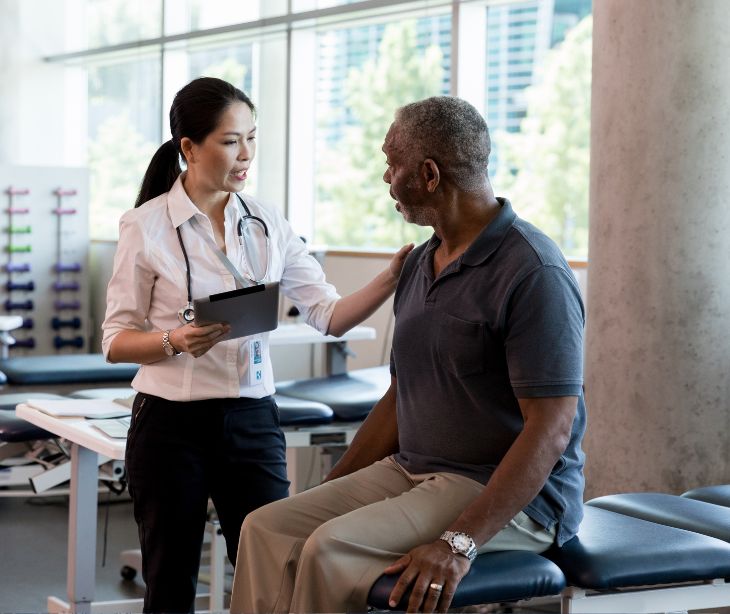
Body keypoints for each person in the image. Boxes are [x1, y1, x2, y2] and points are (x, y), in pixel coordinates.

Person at [229, 95, 587, 614]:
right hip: (413, 469)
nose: (385, 178)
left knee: (330, 549)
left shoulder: (534, 272)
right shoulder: (421, 262)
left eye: (391, 164)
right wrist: (330, 492)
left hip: (504, 493)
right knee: (266, 527)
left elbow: (550, 430)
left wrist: (458, 543)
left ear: (429, 175)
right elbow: (403, 394)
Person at [101, 76, 412, 614]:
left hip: (252, 420)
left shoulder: (267, 220)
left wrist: (389, 278)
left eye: (252, 138)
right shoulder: (146, 227)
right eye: (229, 141)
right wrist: (175, 340)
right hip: (171, 426)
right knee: (170, 581)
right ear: (189, 148)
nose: (245, 155)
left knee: (276, 568)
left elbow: (328, 315)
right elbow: (115, 340)